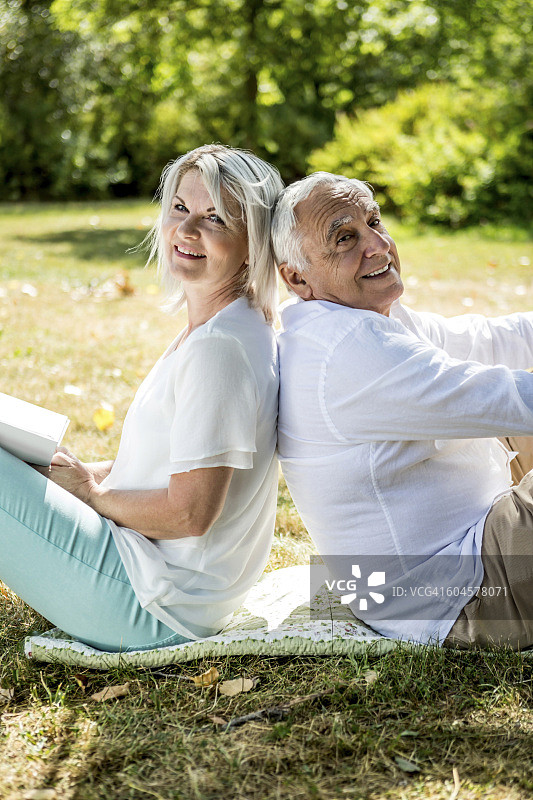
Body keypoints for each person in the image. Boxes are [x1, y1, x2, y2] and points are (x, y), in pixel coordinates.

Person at [0, 144, 283, 652]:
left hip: (150, 605)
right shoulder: (225, 329)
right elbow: (167, 466)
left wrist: (91, 493)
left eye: (215, 218)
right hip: (157, 582)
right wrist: (85, 474)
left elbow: (189, 513)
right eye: (181, 208)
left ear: (253, 241)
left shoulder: (220, 350)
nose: (188, 230)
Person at [271, 171, 533, 649]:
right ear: (296, 276)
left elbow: (496, 341)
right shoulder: (344, 350)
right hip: (460, 597)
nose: (378, 245)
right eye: (345, 237)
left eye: (375, 222)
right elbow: (503, 397)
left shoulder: (359, 318)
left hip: (455, 567)